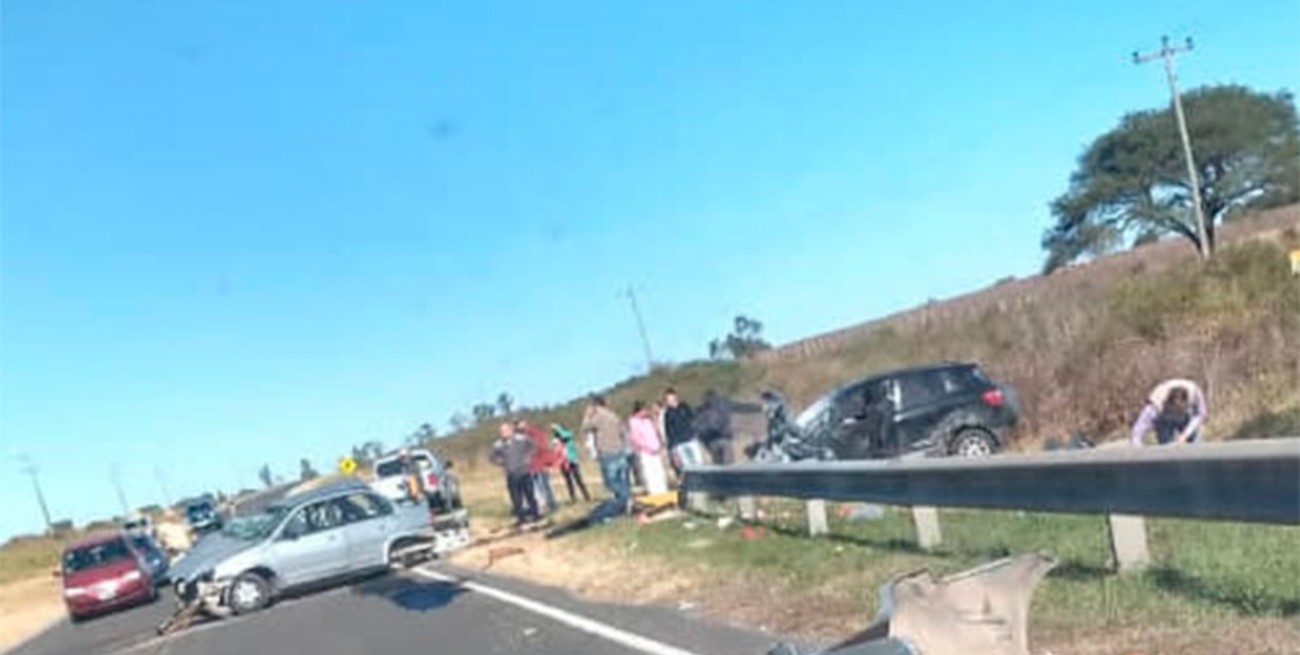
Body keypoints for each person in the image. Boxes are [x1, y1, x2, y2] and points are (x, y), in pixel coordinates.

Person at [580, 394, 631, 510]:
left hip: (607, 453)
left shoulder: (598, 417)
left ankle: (626, 498)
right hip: (620, 451)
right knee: (621, 479)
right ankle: (623, 503)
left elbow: (585, 428)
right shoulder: (614, 416)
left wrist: (587, 415)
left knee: (610, 482)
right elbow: (624, 432)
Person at [488, 422, 539, 525]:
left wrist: (528, 457)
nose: (504, 433)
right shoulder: (498, 444)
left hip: (524, 471)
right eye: (502, 431)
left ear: (511, 430)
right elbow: (491, 457)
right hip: (511, 473)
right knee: (516, 498)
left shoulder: (521, 439)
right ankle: (521, 518)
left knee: (529, 494)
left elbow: (533, 446)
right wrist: (502, 462)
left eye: (506, 430)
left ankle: (535, 514)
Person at [1130, 378, 1208, 446]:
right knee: (1165, 443)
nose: (1177, 413)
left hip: (1186, 417)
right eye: (1175, 410)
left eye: (1180, 409)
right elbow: (1140, 426)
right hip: (1165, 419)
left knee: (1196, 432)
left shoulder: (1195, 392)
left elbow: (1201, 414)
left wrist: (1185, 434)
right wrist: (1136, 445)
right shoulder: (1156, 401)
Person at [628, 400, 669, 495]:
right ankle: (654, 492)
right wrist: (646, 448)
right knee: (650, 473)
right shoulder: (633, 421)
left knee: (659, 472)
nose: (646, 412)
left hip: (656, 449)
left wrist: (660, 446)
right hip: (645, 451)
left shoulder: (649, 420)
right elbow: (636, 438)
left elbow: (656, 433)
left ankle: (663, 490)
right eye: (644, 409)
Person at [517, 420, 559, 513]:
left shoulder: (533, 433)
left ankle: (548, 504)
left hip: (538, 464)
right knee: (538, 486)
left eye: (519, 424)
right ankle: (546, 504)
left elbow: (540, 447)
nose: (519, 427)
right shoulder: (525, 435)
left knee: (542, 486)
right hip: (532, 465)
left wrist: (547, 461)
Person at [663, 387, 700, 475]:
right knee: (687, 466)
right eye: (668, 399)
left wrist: (695, 433)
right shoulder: (668, 413)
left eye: (671, 398)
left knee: (698, 462)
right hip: (679, 443)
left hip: (690, 439)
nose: (670, 401)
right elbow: (668, 430)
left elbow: (693, 419)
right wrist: (671, 446)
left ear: (676, 397)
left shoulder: (684, 407)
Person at [551, 423, 591, 502]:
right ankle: (573, 498)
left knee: (578, 480)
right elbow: (555, 450)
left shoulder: (568, 435)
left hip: (572, 461)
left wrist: (558, 428)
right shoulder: (558, 441)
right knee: (568, 481)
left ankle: (586, 496)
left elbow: (565, 435)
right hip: (564, 463)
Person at [693, 389, 734, 465]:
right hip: (717, 440)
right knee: (726, 465)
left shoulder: (705, 411)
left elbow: (697, 426)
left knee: (724, 465)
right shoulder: (720, 408)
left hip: (718, 440)